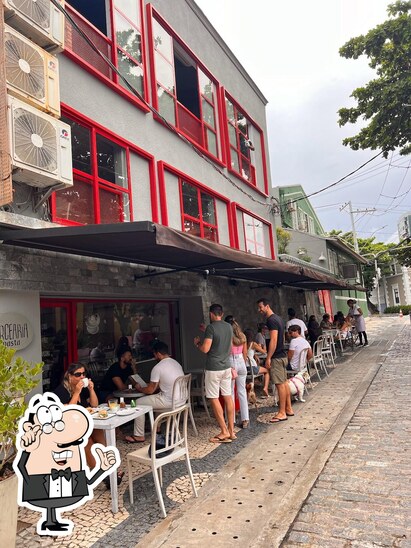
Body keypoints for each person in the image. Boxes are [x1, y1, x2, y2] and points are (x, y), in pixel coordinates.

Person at [52, 363, 123, 484]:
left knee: (99, 432)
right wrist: (76, 393)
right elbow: (68, 412)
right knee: (87, 440)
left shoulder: (82, 389)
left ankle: (111, 467)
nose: (81, 377)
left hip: (83, 423)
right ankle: (102, 474)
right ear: (69, 376)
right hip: (65, 427)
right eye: (78, 374)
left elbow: (94, 405)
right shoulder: (61, 391)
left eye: (83, 374)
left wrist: (91, 389)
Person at [194, 303, 235, 443]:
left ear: (211, 314)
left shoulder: (211, 327)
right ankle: (231, 430)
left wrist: (198, 344)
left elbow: (205, 349)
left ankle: (223, 431)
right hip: (226, 366)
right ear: (221, 314)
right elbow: (224, 341)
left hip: (214, 367)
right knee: (228, 396)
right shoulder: (228, 327)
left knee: (213, 397)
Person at [129, 340, 184, 443]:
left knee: (138, 402)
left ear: (158, 353)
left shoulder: (158, 367)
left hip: (170, 402)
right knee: (158, 397)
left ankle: (139, 435)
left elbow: (150, 390)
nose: (154, 357)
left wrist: (139, 388)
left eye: (154, 354)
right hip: (181, 400)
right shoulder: (176, 363)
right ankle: (157, 428)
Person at [257, 298, 293, 423]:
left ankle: (282, 412)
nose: (259, 310)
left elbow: (274, 339)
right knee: (284, 382)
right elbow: (282, 338)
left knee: (279, 384)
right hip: (282, 355)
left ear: (267, 306)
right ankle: (288, 408)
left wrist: (268, 357)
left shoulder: (271, 320)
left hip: (276, 357)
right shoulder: (279, 318)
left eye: (261, 307)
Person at [225, 316, 249, 429]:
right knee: (242, 392)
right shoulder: (243, 337)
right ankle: (245, 419)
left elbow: (226, 353)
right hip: (241, 363)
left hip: (231, 362)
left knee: (230, 392)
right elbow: (245, 353)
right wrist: (242, 363)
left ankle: (232, 419)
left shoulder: (228, 338)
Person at [244, 328, 270, 397]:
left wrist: (254, 354)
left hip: (244, 367)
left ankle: (254, 384)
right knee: (267, 371)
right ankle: (265, 388)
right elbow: (264, 351)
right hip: (252, 367)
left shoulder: (242, 344)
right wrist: (264, 344)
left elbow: (247, 353)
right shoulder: (253, 344)